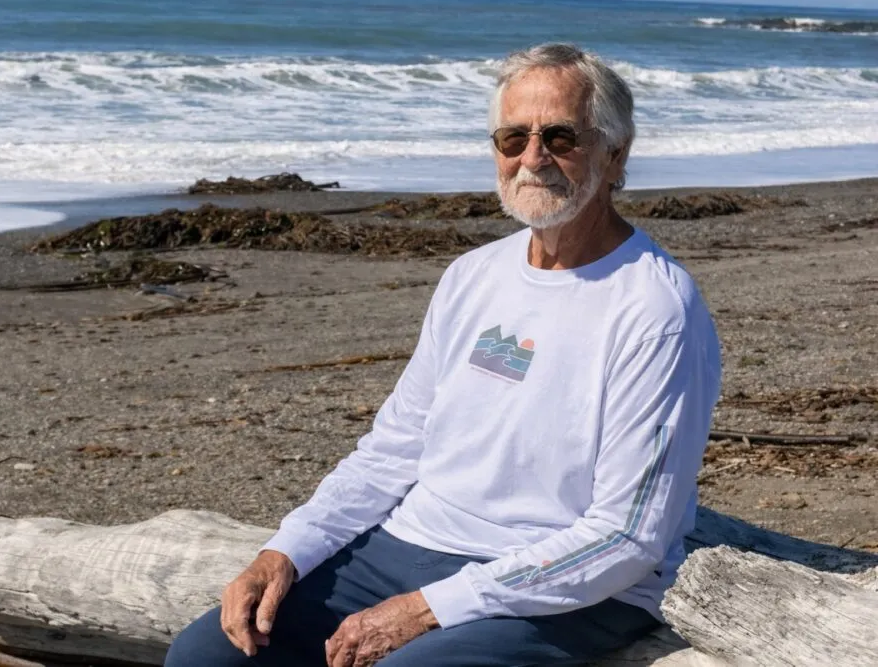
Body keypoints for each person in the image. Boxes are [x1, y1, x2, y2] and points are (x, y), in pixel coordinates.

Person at [165, 42, 721, 667]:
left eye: (561, 137)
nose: (532, 158)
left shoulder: (654, 309)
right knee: (205, 656)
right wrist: (284, 552)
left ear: (615, 154)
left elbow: (626, 537)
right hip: (410, 545)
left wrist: (432, 607)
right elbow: (393, 447)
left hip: (566, 585)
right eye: (512, 139)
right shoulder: (472, 275)